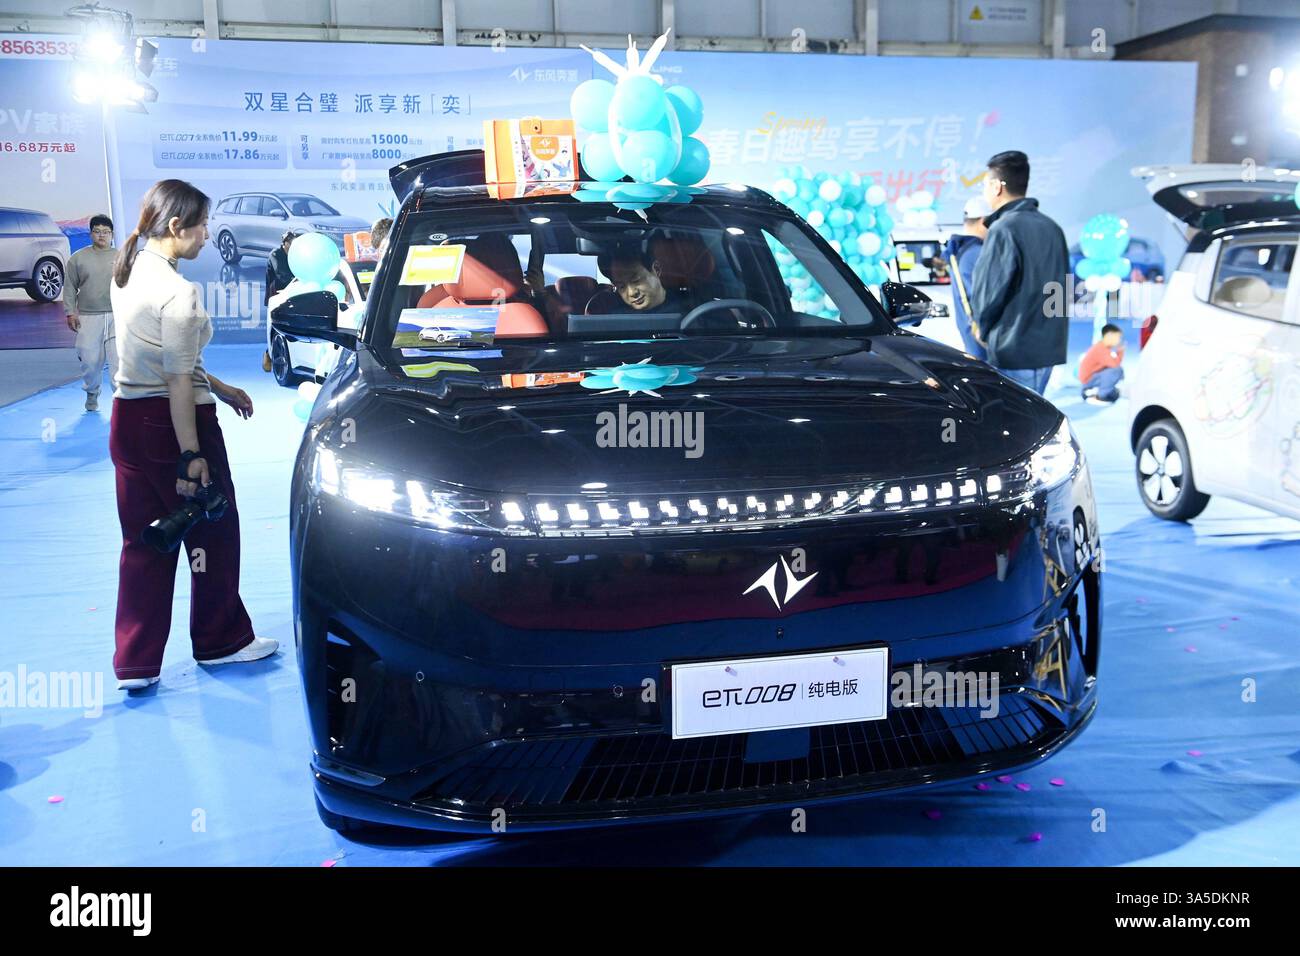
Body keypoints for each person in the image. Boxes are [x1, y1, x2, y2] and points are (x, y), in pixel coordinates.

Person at [109, 179, 277, 691]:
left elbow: (161, 359)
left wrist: (221, 387)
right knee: (213, 533)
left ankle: (135, 663)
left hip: (128, 420)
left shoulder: (129, 271)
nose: (208, 234)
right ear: (176, 226)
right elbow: (177, 379)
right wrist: (190, 455)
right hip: (175, 424)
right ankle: (220, 640)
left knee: (144, 542)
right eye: (202, 225)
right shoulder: (179, 291)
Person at [970, 150, 1070, 395]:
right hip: (1047, 350)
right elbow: (1061, 289)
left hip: (1013, 350)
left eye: (985, 185)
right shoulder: (1052, 227)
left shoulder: (1004, 228)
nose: (984, 192)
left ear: (996, 187)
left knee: (1016, 426)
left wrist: (980, 327)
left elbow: (989, 293)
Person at [64, 214, 120, 411]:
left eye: (106, 232)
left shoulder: (123, 257)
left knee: (119, 363)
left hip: (118, 317)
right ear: (90, 234)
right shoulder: (78, 258)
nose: (101, 235)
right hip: (89, 317)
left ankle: (120, 403)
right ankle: (92, 393)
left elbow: (134, 286)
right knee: (90, 361)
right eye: (97, 231)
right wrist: (70, 312)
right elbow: (69, 286)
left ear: (112, 234)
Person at [941, 197, 992, 361]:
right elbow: (985, 298)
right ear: (984, 221)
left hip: (972, 334)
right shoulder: (977, 253)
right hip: (985, 339)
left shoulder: (959, 250)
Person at [597, 245, 691, 312]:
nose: (632, 293)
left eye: (636, 280)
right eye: (621, 286)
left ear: (656, 269)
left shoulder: (690, 307)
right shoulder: (616, 320)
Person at [1079, 322, 1125, 405]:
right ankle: (1100, 395)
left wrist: (1119, 352)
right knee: (1116, 371)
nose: (1119, 340)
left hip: (1092, 377)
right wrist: (1120, 351)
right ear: (1109, 336)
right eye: (1118, 337)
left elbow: (1115, 363)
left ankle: (1098, 390)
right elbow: (1115, 366)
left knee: (1117, 372)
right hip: (1088, 381)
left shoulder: (1103, 347)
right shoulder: (1100, 349)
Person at [264, 230, 298, 305]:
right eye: (291, 244)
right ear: (285, 243)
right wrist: (295, 281)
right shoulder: (275, 254)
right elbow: (280, 273)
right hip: (276, 289)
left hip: (290, 289)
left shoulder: (295, 254)